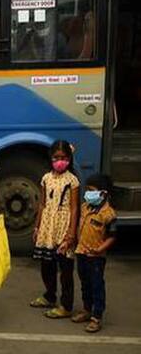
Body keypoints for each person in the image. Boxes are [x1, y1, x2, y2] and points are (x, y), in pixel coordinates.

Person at [30, 140, 79, 318]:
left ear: (69, 159)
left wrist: (71, 234)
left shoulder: (72, 181)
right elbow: (42, 204)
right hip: (47, 227)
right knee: (47, 265)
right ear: (51, 158)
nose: (60, 161)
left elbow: (74, 208)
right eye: (56, 157)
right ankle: (49, 295)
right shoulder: (46, 178)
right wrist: (37, 227)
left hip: (64, 226)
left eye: (64, 158)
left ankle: (66, 305)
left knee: (65, 269)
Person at [72, 173, 117, 333]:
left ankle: (96, 317)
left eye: (92, 190)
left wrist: (100, 249)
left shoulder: (108, 214)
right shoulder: (85, 207)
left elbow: (112, 237)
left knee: (96, 285)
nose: (88, 194)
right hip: (81, 252)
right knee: (85, 283)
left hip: (96, 257)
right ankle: (86, 309)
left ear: (103, 193)